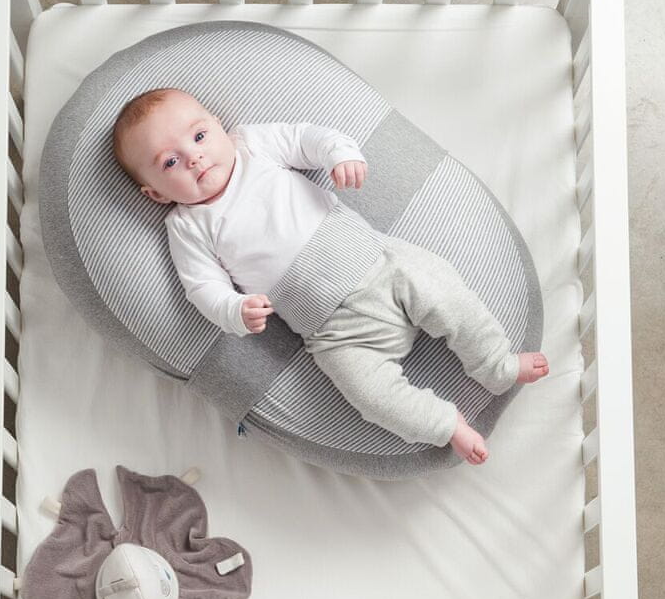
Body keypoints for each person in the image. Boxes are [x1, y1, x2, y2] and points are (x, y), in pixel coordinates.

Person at [112, 88, 548, 465]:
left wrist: (339, 153)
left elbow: (306, 138)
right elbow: (202, 288)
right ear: (155, 194)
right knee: (369, 396)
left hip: (382, 266)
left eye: (199, 136)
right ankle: (445, 425)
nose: (194, 158)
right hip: (334, 332)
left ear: (219, 128)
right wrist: (235, 309)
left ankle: (495, 363)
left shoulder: (251, 146)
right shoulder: (187, 227)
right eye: (170, 162)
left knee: (444, 290)